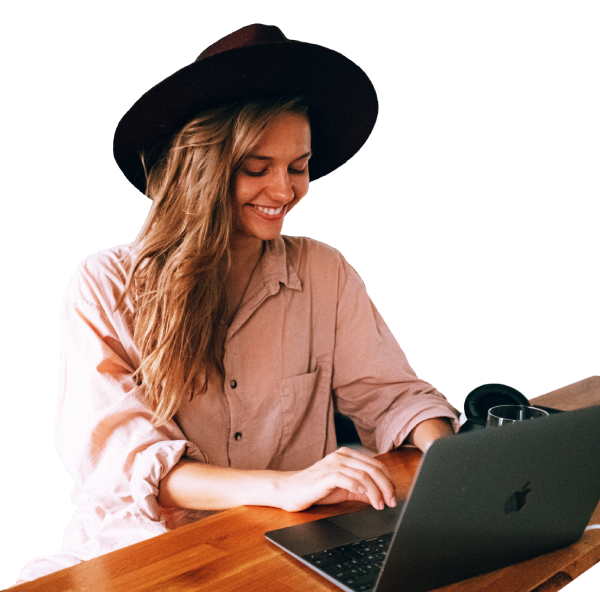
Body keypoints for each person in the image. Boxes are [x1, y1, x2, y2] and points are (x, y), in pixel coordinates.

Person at [14, 23, 459, 585]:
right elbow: (126, 464)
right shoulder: (105, 285)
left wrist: (451, 472)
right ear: (202, 166)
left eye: (298, 167)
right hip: (138, 555)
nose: (284, 190)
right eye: (257, 168)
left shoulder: (324, 272)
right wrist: (285, 485)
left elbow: (392, 395)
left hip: (282, 549)